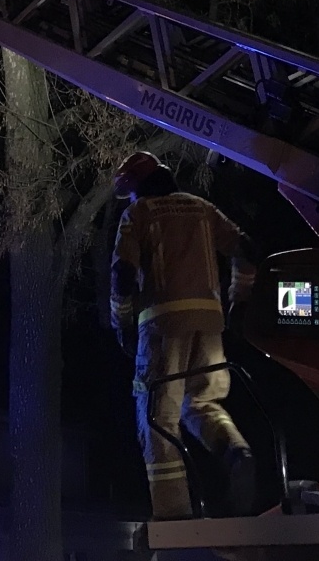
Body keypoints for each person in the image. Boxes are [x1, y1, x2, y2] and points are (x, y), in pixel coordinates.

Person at [110, 151, 258, 519]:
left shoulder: (138, 213)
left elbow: (122, 275)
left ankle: (173, 518)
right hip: (209, 327)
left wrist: (122, 323)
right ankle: (236, 451)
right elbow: (246, 250)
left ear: (138, 187)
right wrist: (239, 301)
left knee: (157, 421)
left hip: (162, 328)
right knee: (202, 404)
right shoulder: (201, 208)